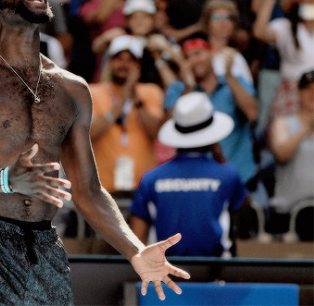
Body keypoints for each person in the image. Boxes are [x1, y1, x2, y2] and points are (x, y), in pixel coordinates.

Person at [0, 0, 190, 304]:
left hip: (43, 247)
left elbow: (89, 190)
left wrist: (135, 250)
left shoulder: (72, 88)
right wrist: (7, 178)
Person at [130, 92, 249, 257]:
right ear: (212, 135)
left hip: (164, 275)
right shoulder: (228, 175)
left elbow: (137, 242)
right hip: (215, 273)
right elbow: (244, 206)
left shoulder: (150, 179)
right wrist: (219, 155)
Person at [164, 33, 258, 187]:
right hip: (200, 182)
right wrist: (189, 87)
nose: (194, 61)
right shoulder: (178, 89)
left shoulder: (234, 82)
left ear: (212, 53)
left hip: (241, 176)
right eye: (187, 57)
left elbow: (252, 113)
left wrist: (229, 75)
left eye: (198, 54)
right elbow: (170, 128)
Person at [89, 35, 164, 193]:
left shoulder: (151, 91)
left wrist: (135, 98)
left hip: (143, 189)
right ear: (110, 63)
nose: (124, 64)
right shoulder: (92, 91)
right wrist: (121, 103)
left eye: (130, 60)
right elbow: (89, 133)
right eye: (119, 59)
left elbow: (155, 132)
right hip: (103, 189)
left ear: (138, 65)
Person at [268, 69, 314, 240]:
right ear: (299, 92)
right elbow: (282, 153)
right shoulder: (283, 123)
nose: (312, 93)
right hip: (288, 212)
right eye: (308, 89)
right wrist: (306, 128)